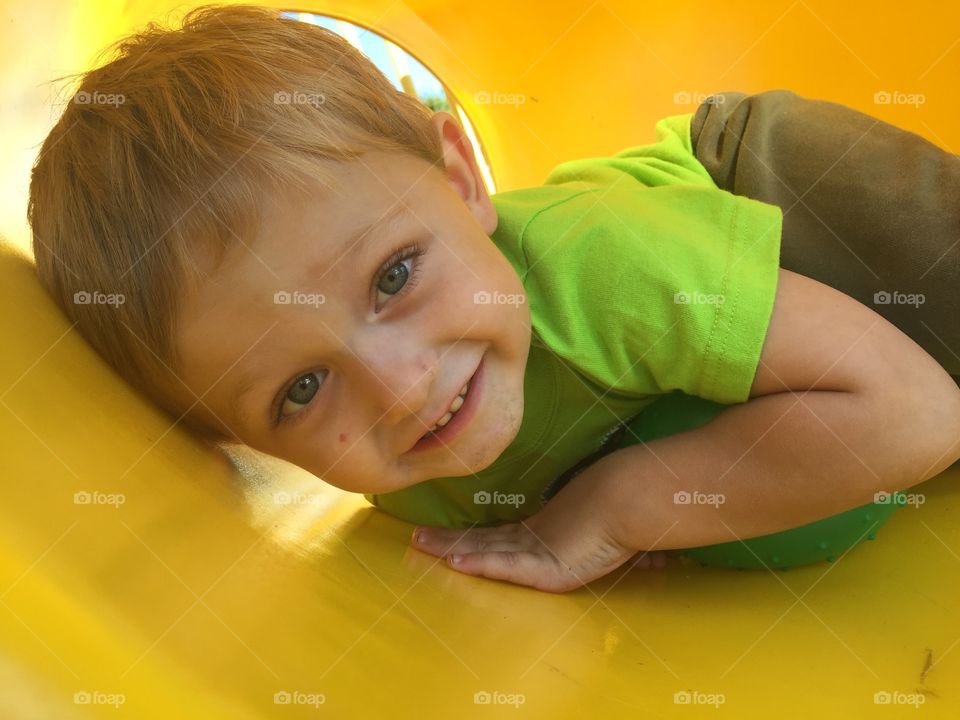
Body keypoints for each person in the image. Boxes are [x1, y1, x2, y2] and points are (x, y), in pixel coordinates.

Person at [28, 5, 960, 592]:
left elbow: (916, 414)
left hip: (766, 184)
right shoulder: (414, 497)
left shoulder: (603, 271)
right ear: (238, 444)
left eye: (394, 276)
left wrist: (617, 508)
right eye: (300, 391)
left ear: (462, 178)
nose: (400, 390)